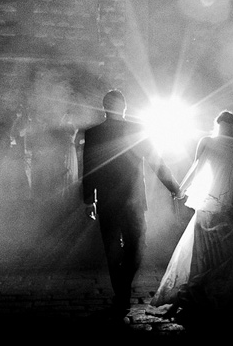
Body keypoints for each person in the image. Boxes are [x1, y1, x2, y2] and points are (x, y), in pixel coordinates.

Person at [149, 110, 233, 327]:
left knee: (209, 244)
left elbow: (196, 168)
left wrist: (181, 190)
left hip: (212, 196)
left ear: (218, 125)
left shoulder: (206, 141)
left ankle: (210, 284)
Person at [81, 89, 181, 320]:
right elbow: (156, 161)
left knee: (117, 249)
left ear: (105, 107)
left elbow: (89, 167)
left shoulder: (95, 133)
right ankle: (123, 291)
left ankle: (122, 289)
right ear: (123, 107)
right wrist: (174, 187)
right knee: (136, 245)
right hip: (131, 199)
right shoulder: (135, 129)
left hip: (111, 199)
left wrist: (89, 200)